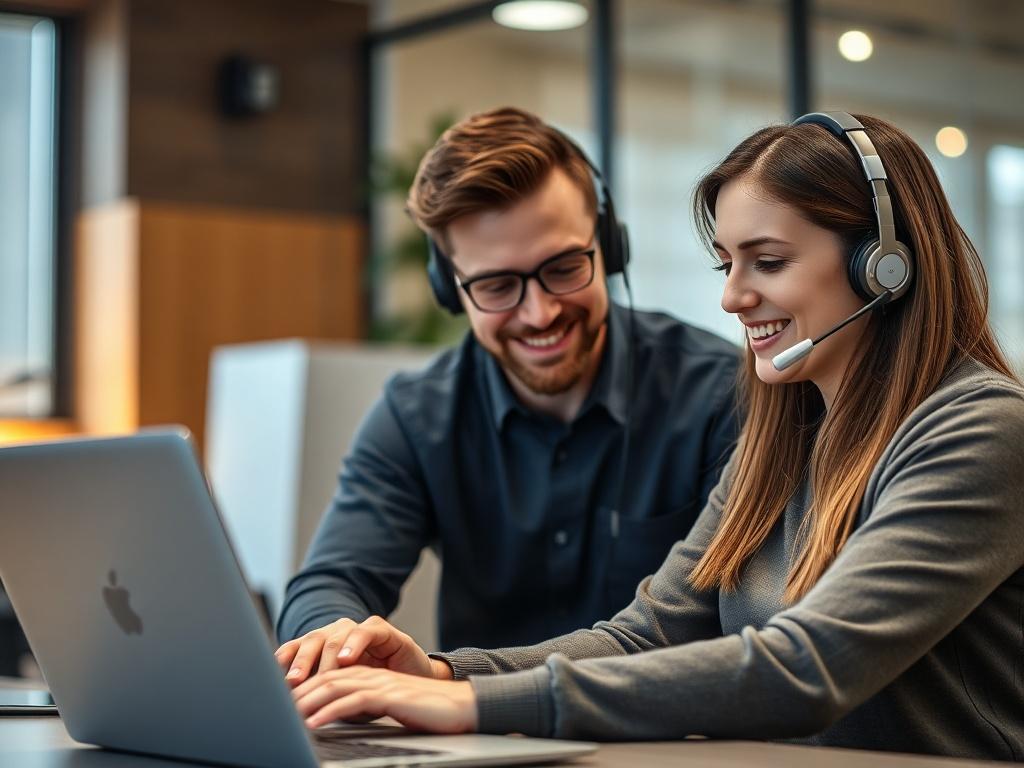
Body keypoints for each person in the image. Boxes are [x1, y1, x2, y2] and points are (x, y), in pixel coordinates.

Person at [280, 112, 1024, 761]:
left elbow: (805, 668)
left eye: (767, 262)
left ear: (883, 267)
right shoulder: (785, 436)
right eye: (727, 264)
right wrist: (441, 675)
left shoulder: (981, 429)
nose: (732, 297)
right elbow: (648, 634)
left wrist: (471, 705)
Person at [275, 108, 741, 677]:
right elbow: (332, 579)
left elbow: (709, 630)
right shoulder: (416, 416)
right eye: (497, 285)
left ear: (609, 247)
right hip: (475, 743)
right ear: (450, 287)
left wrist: (452, 680)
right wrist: (332, 635)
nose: (539, 312)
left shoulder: (723, 395)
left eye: (565, 267)